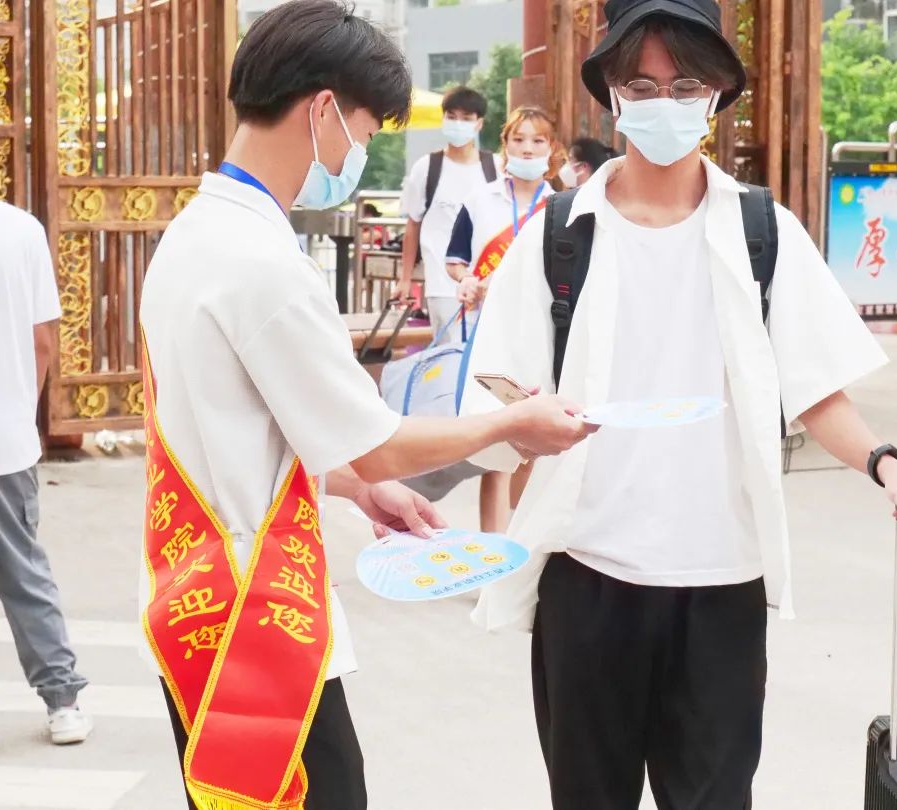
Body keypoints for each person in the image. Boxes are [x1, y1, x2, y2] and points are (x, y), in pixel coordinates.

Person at [459, 0, 897, 807]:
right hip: (587, 579)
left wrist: (886, 464)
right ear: (612, 96)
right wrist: (496, 502)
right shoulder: (559, 236)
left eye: (685, 84)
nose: (664, 102)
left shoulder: (763, 232)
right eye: (642, 84)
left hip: (722, 585)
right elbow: (500, 405)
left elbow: (817, 388)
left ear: (717, 94)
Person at [137, 3, 594, 809]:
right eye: (365, 130)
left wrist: (355, 486)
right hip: (259, 625)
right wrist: (510, 424)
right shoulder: (265, 266)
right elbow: (378, 442)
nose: (359, 152)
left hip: (195, 594)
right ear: (322, 110)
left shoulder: (193, 234)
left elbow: (243, 428)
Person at [0, 200, 91, 746]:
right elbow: (42, 339)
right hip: (4, 444)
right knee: (23, 575)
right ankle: (62, 702)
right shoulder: (22, 231)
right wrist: (17, 411)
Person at [443, 107, 558, 533]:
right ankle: (492, 551)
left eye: (537, 140)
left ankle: (522, 540)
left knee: (534, 446)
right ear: (504, 145)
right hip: (491, 335)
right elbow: (455, 260)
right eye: (518, 139)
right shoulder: (480, 201)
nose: (527, 149)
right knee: (496, 445)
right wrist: (468, 280)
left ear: (551, 148)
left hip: (543, 334)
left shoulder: (560, 206)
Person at [394, 86, 499, 338]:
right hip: (441, 285)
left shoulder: (495, 167)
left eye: (466, 118)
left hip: (487, 284)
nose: (458, 124)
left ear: (479, 123)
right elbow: (413, 225)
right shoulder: (426, 168)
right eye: (452, 117)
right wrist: (405, 279)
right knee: (447, 353)